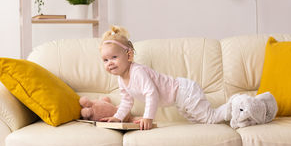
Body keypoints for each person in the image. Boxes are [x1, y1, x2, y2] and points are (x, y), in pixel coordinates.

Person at [98, 26, 270, 130]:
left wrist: (148, 118)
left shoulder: (137, 72)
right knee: (204, 124)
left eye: (114, 57)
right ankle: (241, 109)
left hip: (185, 92)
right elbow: (127, 102)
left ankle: (242, 104)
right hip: (180, 100)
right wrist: (118, 118)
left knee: (210, 118)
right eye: (105, 60)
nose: (110, 63)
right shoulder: (122, 79)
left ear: (128, 56)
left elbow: (152, 94)